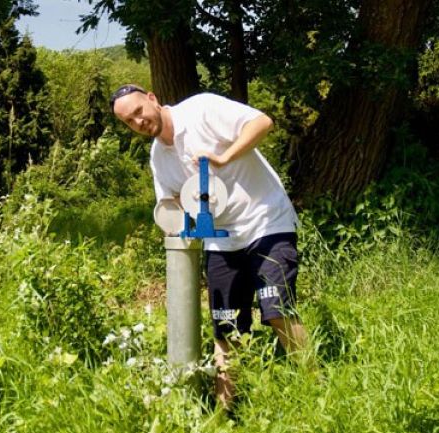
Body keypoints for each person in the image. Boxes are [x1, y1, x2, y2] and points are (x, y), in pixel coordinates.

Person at [110, 84, 308, 410]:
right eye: (129, 122)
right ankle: (224, 413)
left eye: (138, 111)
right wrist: (176, 209)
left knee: (276, 312)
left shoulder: (201, 110)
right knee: (226, 326)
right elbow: (171, 206)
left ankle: (314, 387)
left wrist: (224, 157)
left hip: (265, 220)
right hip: (221, 237)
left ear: (152, 99)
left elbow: (261, 122)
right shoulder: (159, 157)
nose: (139, 122)